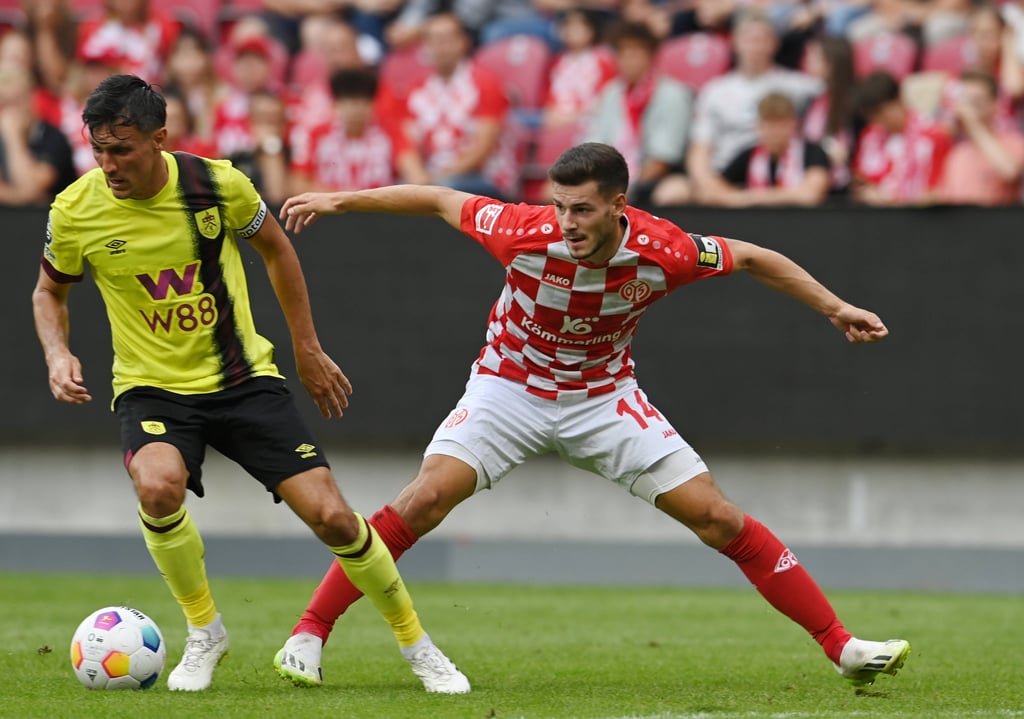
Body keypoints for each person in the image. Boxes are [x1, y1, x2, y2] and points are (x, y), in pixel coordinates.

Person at [270, 141, 912, 690]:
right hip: (508, 389)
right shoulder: (521, 231)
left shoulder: (665, 250)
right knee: (423, 500)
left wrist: (835, 308)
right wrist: (339, 199)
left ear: (618, 205)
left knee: (717, 517)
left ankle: (841, 647)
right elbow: (440, 199)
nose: (567, 221)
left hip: (604, 399)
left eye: (582, 208)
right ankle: (309, 633)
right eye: (559, 205)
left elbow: (749, 257)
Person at [30, 74, 469, 695]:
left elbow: (277, 250)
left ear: (160, 139)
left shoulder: (217, 184)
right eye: (98, 149)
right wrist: (56, 353)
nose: (109, 164)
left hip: (242, 381)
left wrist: (307, 348)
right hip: (152, 389)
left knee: (335, 519)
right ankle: (205, 632)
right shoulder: (75, 210)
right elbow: (50, 291)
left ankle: (417, 643)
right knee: (157, 487)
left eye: (122, 148)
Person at [685, 11, 822, 203]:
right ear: (734, 42)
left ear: (775, 43)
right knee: (676, 190)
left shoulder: (800, 87)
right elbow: (699, 150)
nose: (756, 47)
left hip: (781, 175)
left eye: (762, 39)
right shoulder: (714, 91)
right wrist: (716, 189)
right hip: (723, 176)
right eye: (749, 39)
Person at [586, 20, 693, 206]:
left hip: (655, 179)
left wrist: (622, 187)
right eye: (622, 54)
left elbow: (662, 160)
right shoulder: (611, 93)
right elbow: (595, 145)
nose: (627, 61)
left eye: (634, 54)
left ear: (650, 56)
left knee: (671, 192)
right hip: (613, 177)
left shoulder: (673, 94)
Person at [700, 92, 831, 206]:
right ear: (759, 125)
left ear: (793, 123)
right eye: (769, 125)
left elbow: (811, 194)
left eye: (781, 124)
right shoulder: (750, 155)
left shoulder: (812, 152)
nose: (775, 132)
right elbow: (713, 191)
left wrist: (752, 198)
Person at [852, 70, 952, 205]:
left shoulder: (933, 137)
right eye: (871, 116)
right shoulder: (869, 137)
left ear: (898, 100)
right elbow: (860, 182)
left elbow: (936, 193)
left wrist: (890, 202)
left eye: (880, 112)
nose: (877, 121)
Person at [935, 68, 1024, 205]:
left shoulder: (1014, 142)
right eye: (964, 100)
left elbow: (1010, 172)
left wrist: (973, 124)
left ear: (995, 104)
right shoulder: (957, 153)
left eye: (975, 101)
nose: (969, 107)